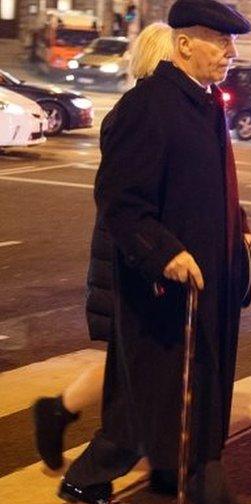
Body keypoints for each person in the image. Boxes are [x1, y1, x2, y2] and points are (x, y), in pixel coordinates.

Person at [57, 1, 251, 504]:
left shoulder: (202, 102)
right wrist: (164, 251)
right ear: (185, 44)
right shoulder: (150, 107)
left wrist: (235, 223)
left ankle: (83, 480)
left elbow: (201, 184)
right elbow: (121, 203)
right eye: (220, 41)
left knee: (141, 404)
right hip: (166, 289)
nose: (230, 53)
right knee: (187, 409)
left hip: (204, 283)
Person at [32, 21, 174, 477]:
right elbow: (126, 197)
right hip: (130, 255)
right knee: (132, 360)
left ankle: (61, 413)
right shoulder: (142, 110)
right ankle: (79, 438)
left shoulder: (159, 107)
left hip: (132, 251)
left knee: (130, 360)